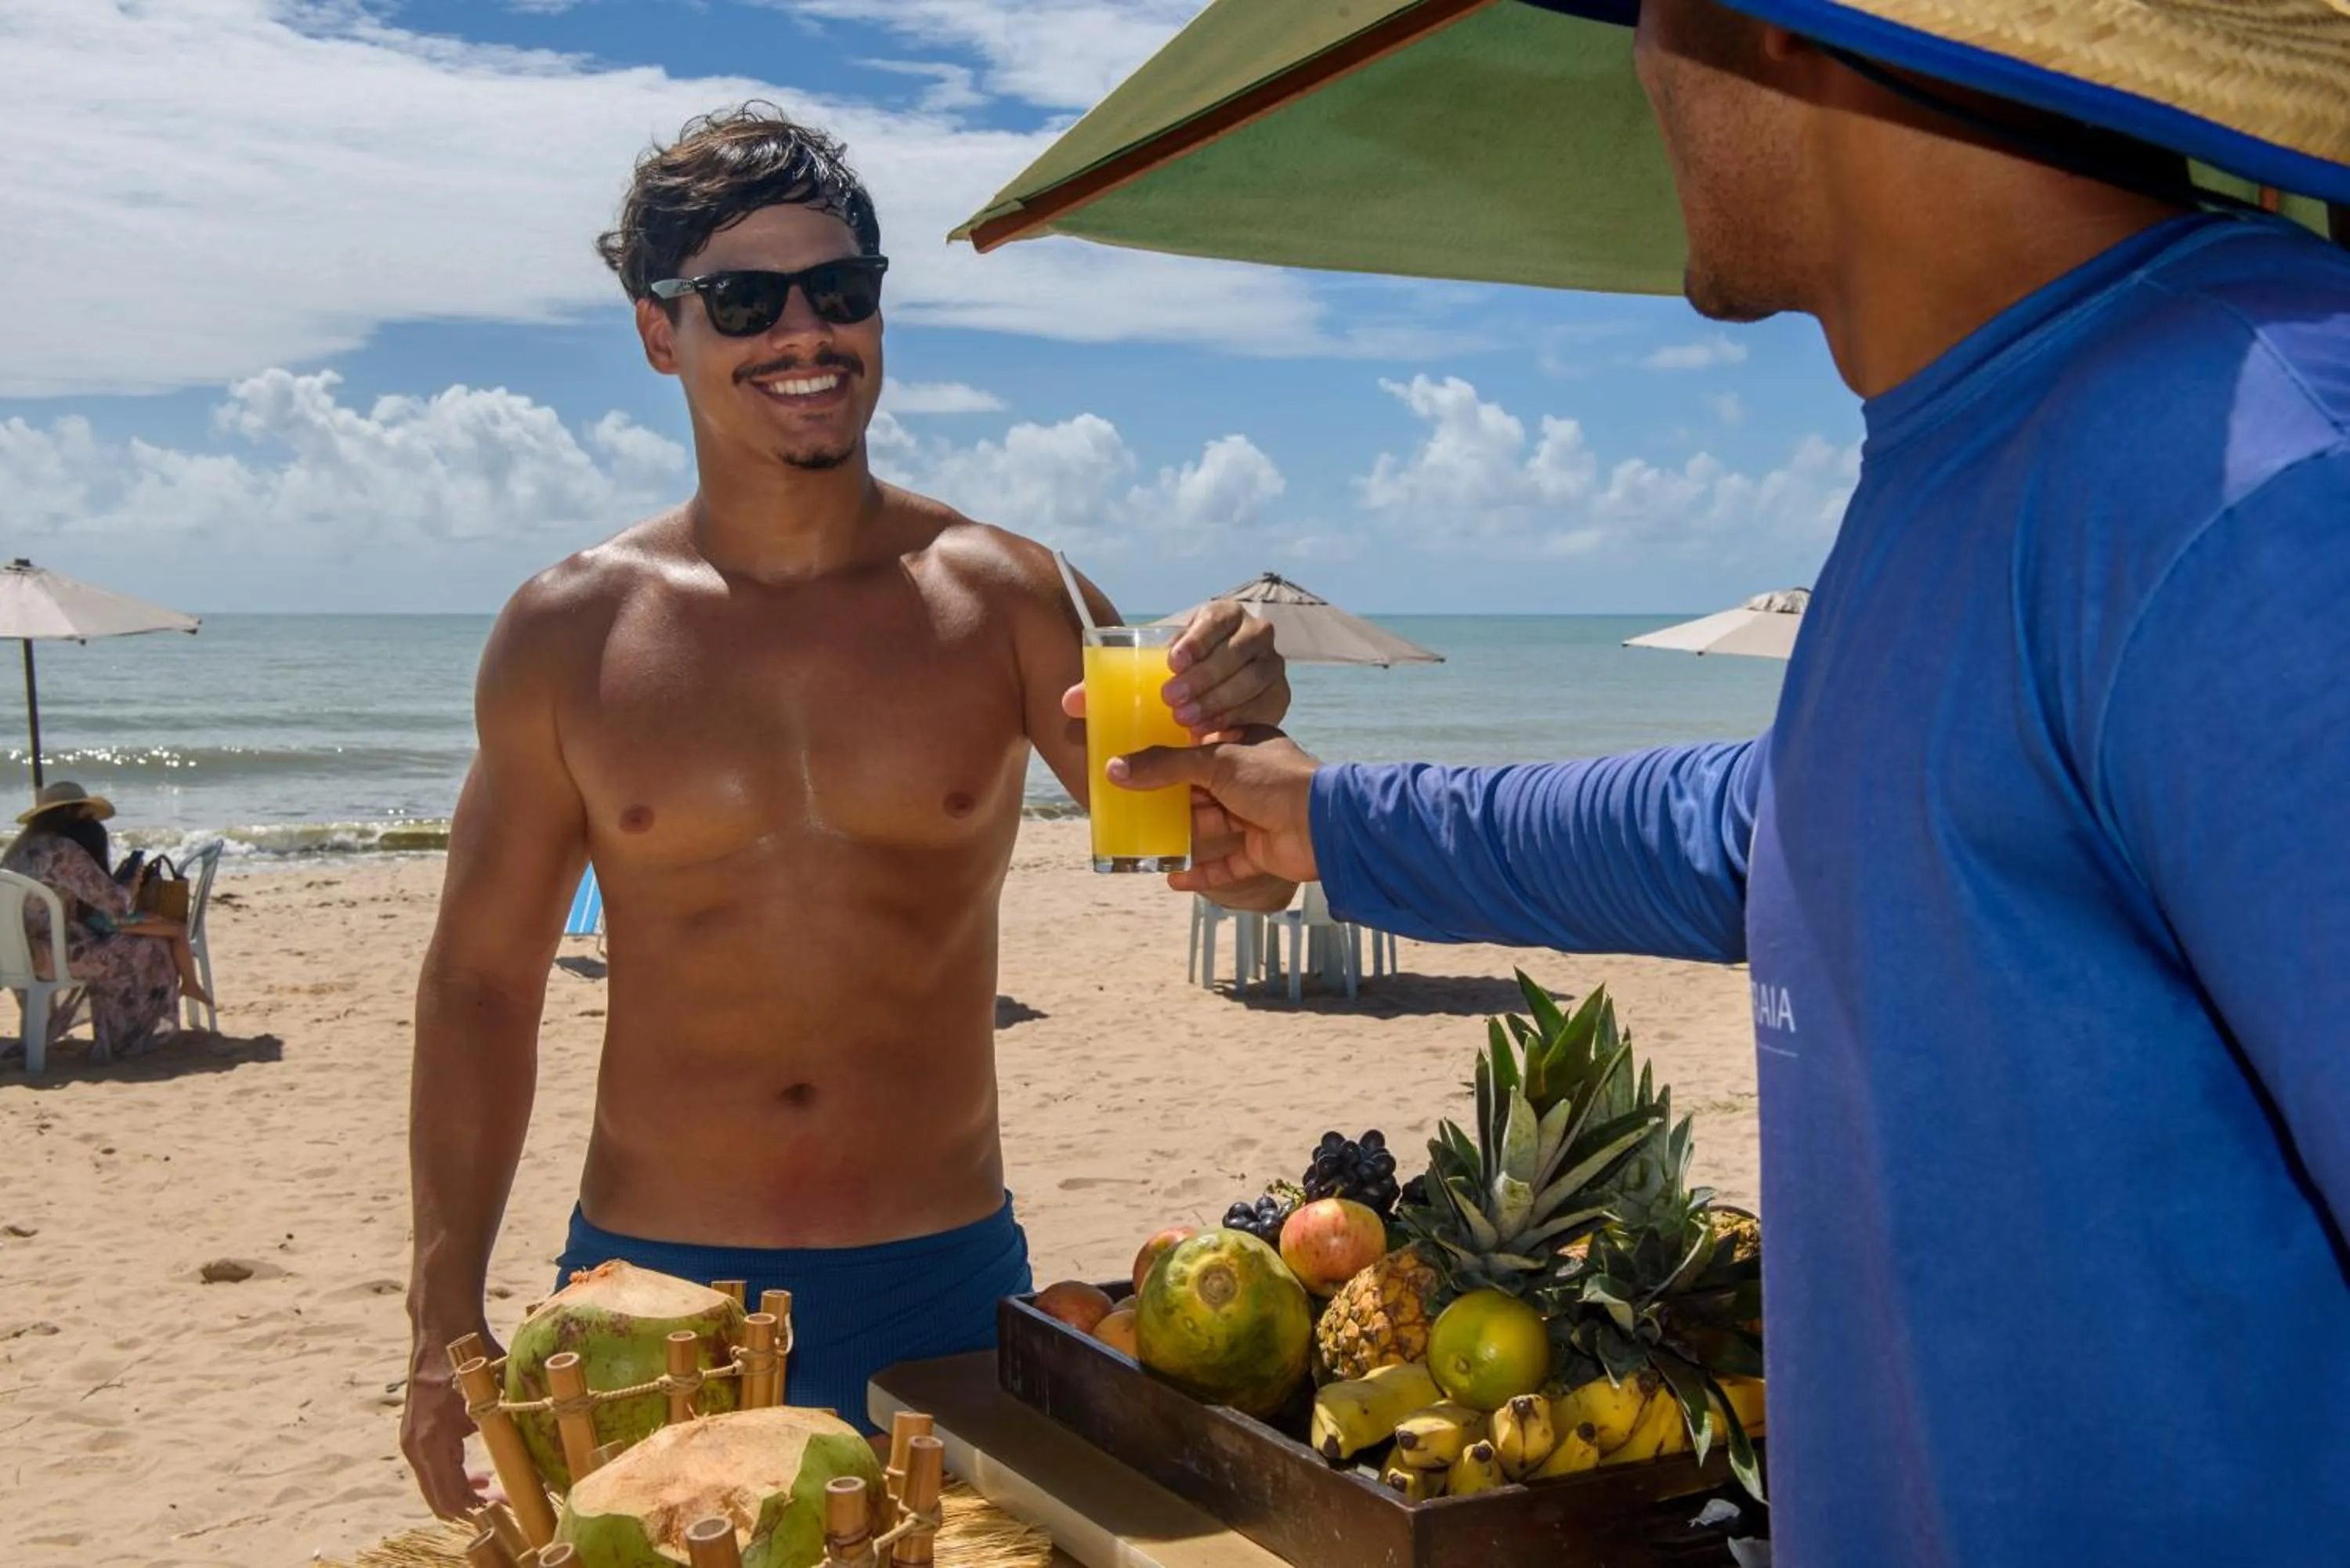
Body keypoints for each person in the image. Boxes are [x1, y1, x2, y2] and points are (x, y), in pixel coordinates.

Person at [1110, 3, 2350, 1564]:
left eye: (1648, 13)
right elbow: (1773, 822)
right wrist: (1328, 819)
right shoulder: (1999, 437)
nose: (1636, 69)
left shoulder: (2255, 470)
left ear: (1778, 36)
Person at [401, 105, 1294, 1516]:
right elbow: (478, 983)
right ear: (659, 333)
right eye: (746, 300)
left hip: (934, 1284)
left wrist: (1246, 736)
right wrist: (440, 1314)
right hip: (648, 1297)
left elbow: (1232, 870)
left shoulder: (1013, 598)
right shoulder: (571, 632)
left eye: (844, 290)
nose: (805, 332)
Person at [2, 781, 208, 1061]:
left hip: (18, 956)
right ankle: (126, 1037)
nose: (93, 825)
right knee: (152, 947)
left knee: (132, 940)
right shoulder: (63, 851)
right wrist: (130, 886)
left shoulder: (20, 848)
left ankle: (120, 1032)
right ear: (73, 815)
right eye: (87, 816)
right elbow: (116, 906)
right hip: (56, 956)